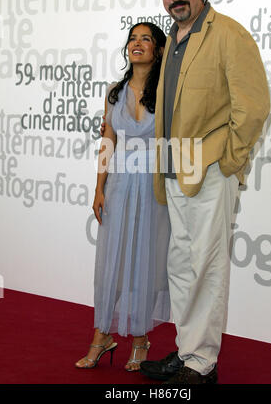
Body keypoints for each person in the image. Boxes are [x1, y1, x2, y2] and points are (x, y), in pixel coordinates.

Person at [140, 0, 270, 384]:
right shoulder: (174, 42)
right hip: (175, 173)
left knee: (207, 266)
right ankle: (188, 349)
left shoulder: (228, 34)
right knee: (181, 265)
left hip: (210, 171)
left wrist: (228, 161)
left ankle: (202, 364)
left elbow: (252, 108)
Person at [75, 22, 171, 372]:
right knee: (111, 262)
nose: (137, 44)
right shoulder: (114, 91)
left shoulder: (166, 89)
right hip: (118, 184)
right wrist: (99, 187)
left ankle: (142, 339)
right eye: (133, 38)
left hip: (153, 184)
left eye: (146, 39)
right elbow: (108, 142)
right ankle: (102, 336)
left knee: (145, 260)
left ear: (159, 49)